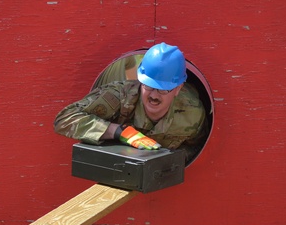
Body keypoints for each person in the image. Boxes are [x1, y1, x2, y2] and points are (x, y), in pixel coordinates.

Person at [54, 43, 209, 163]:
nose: (154, 95)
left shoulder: (193, 113)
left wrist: (167, 161)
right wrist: (120, 132)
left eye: (163, 90)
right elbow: (64, 119)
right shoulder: (120, 96)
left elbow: (197, 146)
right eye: (148, 86)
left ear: (177, 89)